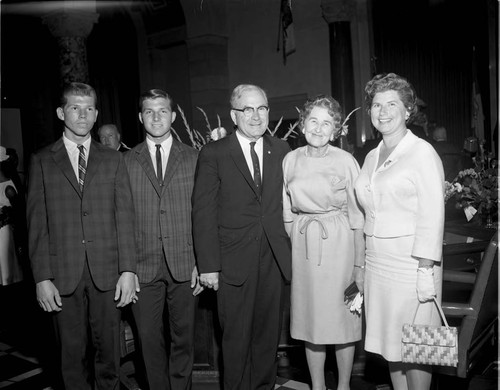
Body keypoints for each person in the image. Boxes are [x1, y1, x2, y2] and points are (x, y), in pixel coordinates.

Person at [26, 82, 138, 389]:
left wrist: (128, 270)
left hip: (107, 273)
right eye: (75, 108)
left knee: (110, 357)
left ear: (97, 113)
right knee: (70, 358)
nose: (82, 115)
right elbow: (37, 224)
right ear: (62, 112)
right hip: (62, 274)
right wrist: (41, 278)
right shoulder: (42, 160)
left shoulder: (113, 159)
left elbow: (125, 217)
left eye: (89, 108)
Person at [192, 84, 292, 390]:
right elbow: (203, 212)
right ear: (235, 115)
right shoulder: (215, 153)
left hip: (274, 259)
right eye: (248, 109)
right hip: (233, 262)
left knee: (267, 337)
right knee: (235, 338)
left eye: (262, 108)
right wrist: (208, 266)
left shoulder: (283, 151)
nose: (256, 116)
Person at [354, 73, 444, 390]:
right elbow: (366, 212)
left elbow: (433, 214)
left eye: (392, 103)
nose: (384, 110)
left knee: (417, 346)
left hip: (412, 265)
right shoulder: (370, 155)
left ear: (408, 110)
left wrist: (425, 268)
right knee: (392, 344)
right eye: (377, 104)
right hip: (379, 263)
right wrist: (362, 265)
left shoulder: (422, 153)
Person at [282, 95, 365, 390]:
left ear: (335, 130)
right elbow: (287, 213)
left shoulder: (346, 161)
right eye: (313, 121)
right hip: (304, 249)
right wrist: (298, 242)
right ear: (303, 124)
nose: (318, 128)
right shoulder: (290, 159)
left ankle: (343, 386)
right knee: (311, 321)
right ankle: (317, 386)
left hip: (340, 246)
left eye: (326, 123)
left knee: (343, 320)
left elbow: (358, 218)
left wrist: (358, 265)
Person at [124, 88, 203, 390]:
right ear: (140, 117)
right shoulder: (127, 160)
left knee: (183, 338)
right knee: (147, 339)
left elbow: (203, 214)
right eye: (149, 111)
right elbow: (123, 219)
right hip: (142, 267)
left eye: (162, 111)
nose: (156, 117)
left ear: (172, 115)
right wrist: (126, 269)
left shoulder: (195, 158)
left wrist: (202, 261)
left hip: (185, 263)